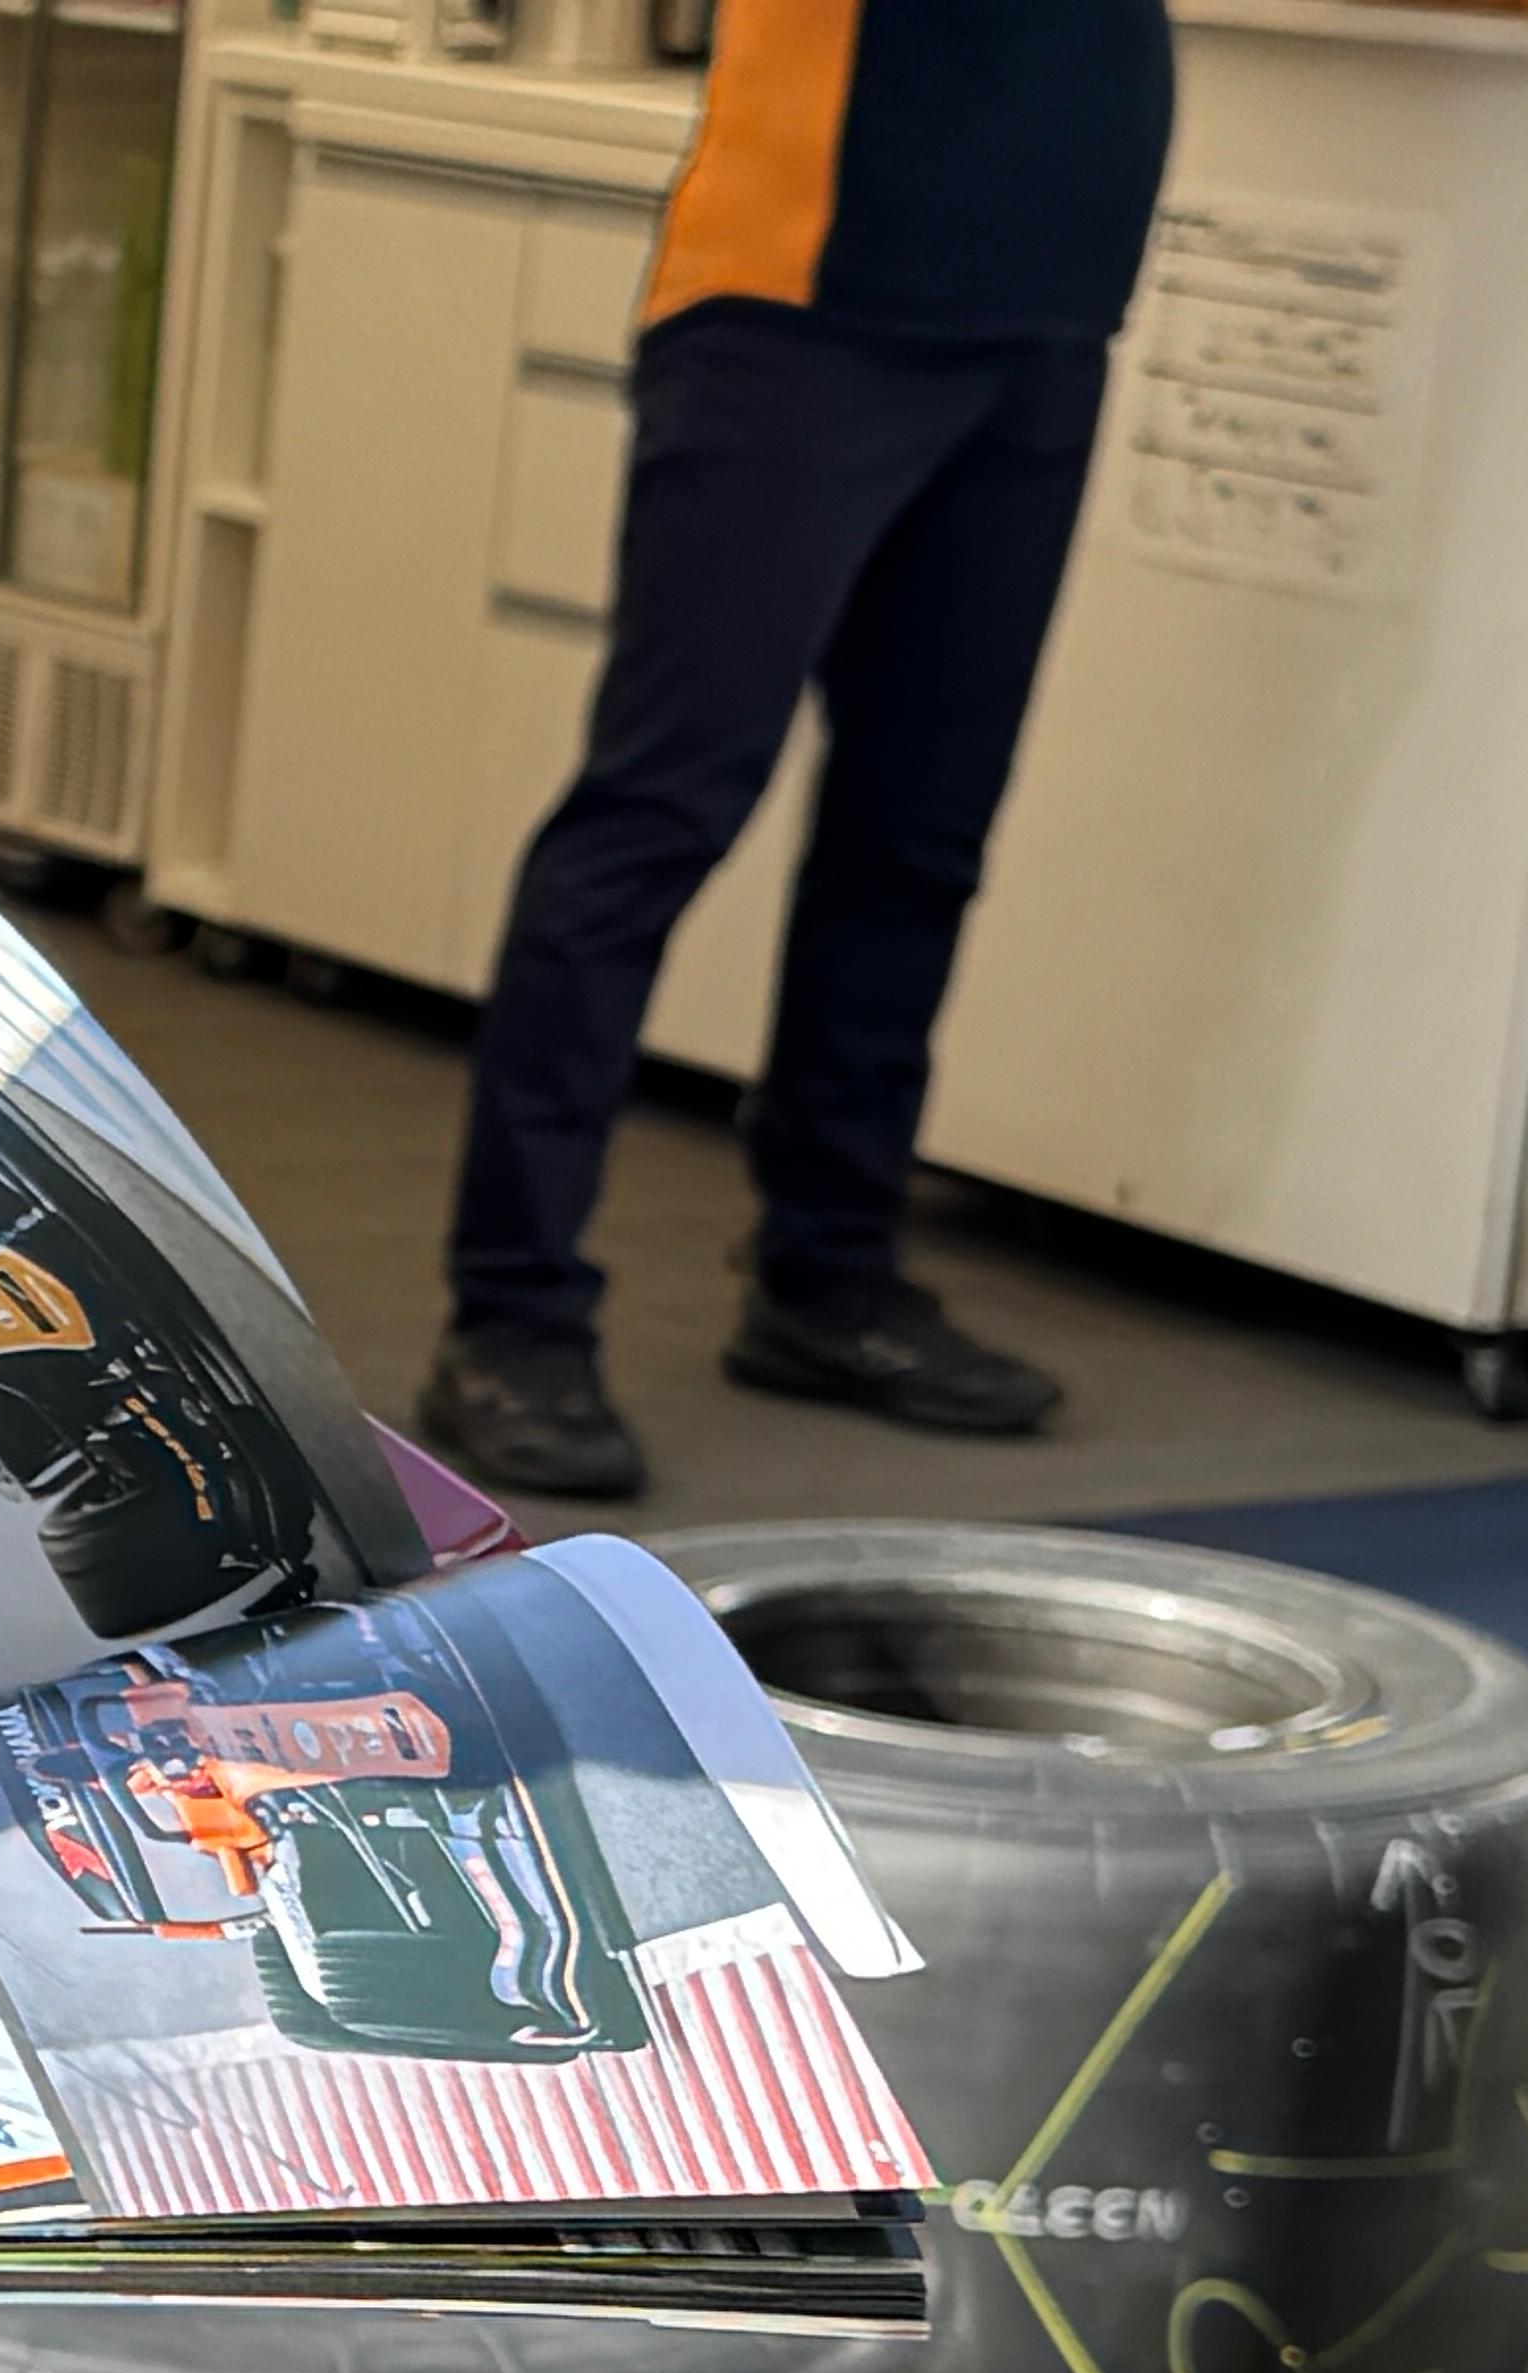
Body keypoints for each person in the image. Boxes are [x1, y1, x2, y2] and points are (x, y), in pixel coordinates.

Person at [415, 0, 1175, 1499]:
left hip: (1045, 318)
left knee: (918, 834)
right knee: (656, 818)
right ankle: (510, 1317)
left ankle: (829, 1279)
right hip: (799, 312)